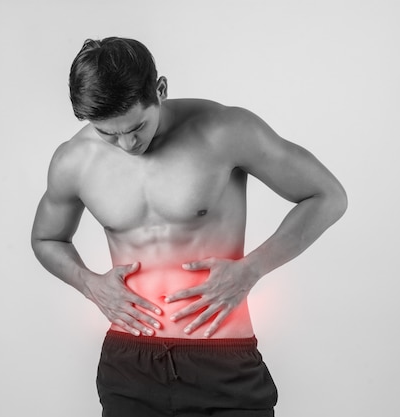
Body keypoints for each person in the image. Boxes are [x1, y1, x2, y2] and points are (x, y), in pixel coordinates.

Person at [31, 37, 347, 417]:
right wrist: (90, 285)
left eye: (136, 127)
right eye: (108, 133)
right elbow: (47, 238)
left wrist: (252, 268)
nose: (127, 144)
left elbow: (326, 196)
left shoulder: (225, 130)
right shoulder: (73, 160)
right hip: (129, 363)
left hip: (222, 360)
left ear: (160, 90)